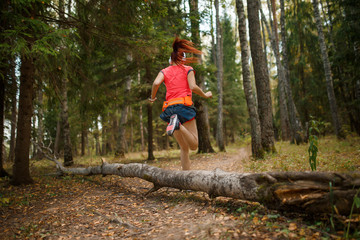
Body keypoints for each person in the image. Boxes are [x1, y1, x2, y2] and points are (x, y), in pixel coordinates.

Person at [148, 37, 212, 170]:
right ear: (182, 58)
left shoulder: (164, 71)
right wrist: (205, 94)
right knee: (194, 146)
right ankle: (178, 125)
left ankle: (185, 180)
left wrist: (152, 98)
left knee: (184, 148)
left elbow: (155, 83)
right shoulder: (188, 69)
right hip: (184, 107)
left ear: (170, 61)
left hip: (170, 110)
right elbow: (193, 87)